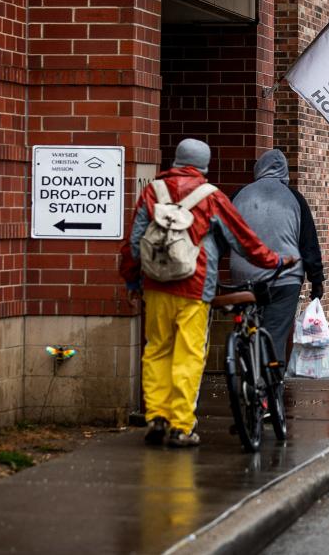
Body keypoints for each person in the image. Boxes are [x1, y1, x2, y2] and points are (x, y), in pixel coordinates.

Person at [120, 139, 296, 449]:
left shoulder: (153, 192)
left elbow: (135, 241)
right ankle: (181, 425)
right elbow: (245, 241)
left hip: (157, 286)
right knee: (188, 354)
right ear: (205, 165)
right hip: (194, 286)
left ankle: (157, 417)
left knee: (157, 349)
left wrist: (133, 281)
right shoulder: (210, 197)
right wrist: (276, 260)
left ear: (176, 161)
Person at [229, 149, 325, 367]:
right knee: (276, 335)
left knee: (247, 327)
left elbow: (220, 235)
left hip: (244, 277)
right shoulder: (295, 198)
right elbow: (309, 245)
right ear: (284, 171)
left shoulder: (238, 195)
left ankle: (246, 372)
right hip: (284, 279)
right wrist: (317, 282)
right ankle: (272, 384)